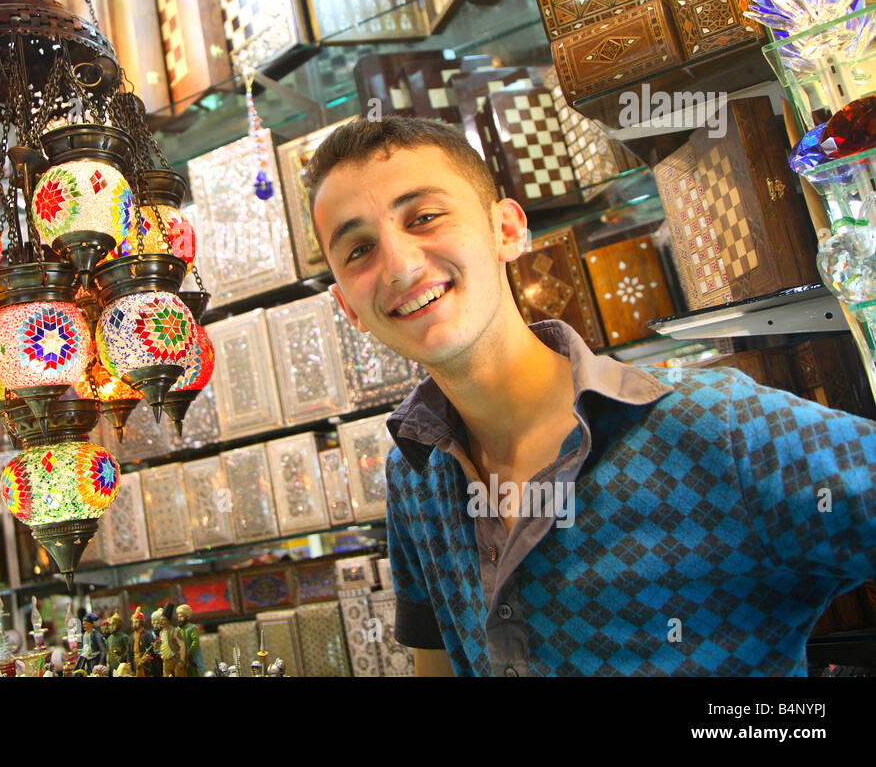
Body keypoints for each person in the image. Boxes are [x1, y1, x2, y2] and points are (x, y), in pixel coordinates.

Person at [306, 115, 876, 676]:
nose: (401, 265)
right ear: (347, 307)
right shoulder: (415, 473)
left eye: (425, 217)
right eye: (358, 250)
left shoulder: (710, 426)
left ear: (506, 230)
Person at [176, 604, 203, 677]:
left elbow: (195, 641)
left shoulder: (192, 628)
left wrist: (189, 652)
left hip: (192, 656)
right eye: (178, 616)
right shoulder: (178, 630)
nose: (179, 618)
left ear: (186, 616)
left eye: (181, 616)